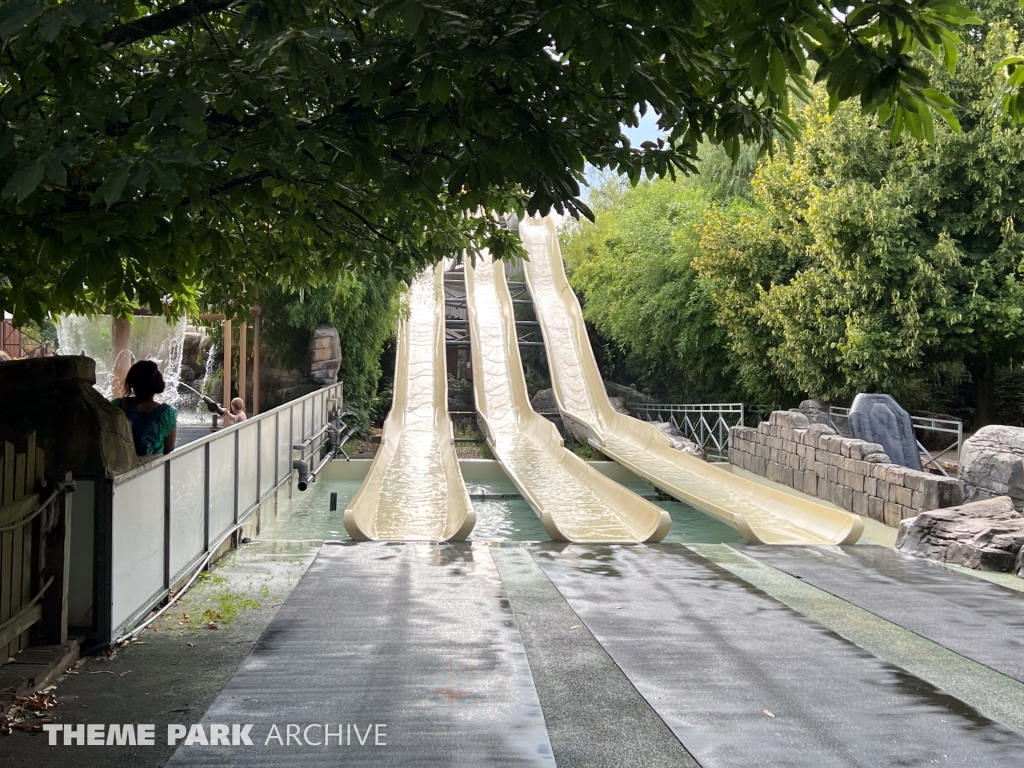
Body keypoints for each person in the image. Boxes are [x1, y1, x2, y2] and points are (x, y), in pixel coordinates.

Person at [112, 360, 177, 455]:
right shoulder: (167, 413)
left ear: (132, 383)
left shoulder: (117, 405)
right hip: (154, 467)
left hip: (121, 464)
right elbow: (169, 448)